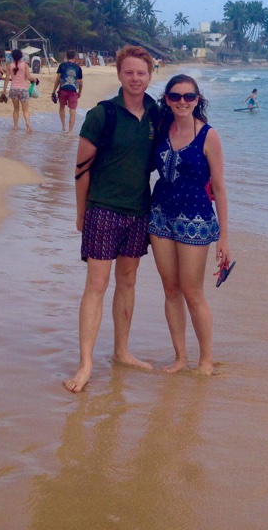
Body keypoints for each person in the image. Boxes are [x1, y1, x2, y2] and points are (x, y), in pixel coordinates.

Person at [64, 46, 161, 393]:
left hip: (138, 210)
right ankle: (85, 364)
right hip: (103, 208)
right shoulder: (101, 114)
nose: (135, 79)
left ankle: (122, 351)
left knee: (128, 281)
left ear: (150, 76)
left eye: (141, 73)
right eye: (129, 72)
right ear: (119, 74)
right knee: (97, 283)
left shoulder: (157, 114)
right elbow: (81, 169)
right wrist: (81, 213)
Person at [149, 74, 229, 376]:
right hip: (160, 216)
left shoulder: (209, 135)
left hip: (195, 220)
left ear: (197, 100)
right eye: (175, 96)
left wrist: (224, 237)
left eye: (189, 96)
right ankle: (180, 357)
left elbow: (219, 188)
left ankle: (206, 360)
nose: (182, 101)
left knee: (192, 292)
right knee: (171, 289)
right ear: (167, 100)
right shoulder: (160, 129)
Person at [1, 48, 40, 133]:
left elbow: (6, 79)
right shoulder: (25, 65)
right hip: (23, 89)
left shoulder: (9, 65)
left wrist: (4, 91)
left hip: (13, 89)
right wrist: (35, 80)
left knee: (16, 109)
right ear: (21, 56)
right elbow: (29, 77)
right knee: (25, 110)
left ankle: (15, 126)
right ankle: (27, 124)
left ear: (12, 56)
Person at [53, 50, 84, 133]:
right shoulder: (78, 68)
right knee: (72, 110)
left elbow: (57, 79)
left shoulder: (62, 65)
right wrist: (79, 92)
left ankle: (64, 126)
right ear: (74, 57)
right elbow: (81, 84)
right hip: (73, 91)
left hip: (63, 90)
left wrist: (54, 90)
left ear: (66, 57)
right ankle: (70, 131)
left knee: (62, 107)